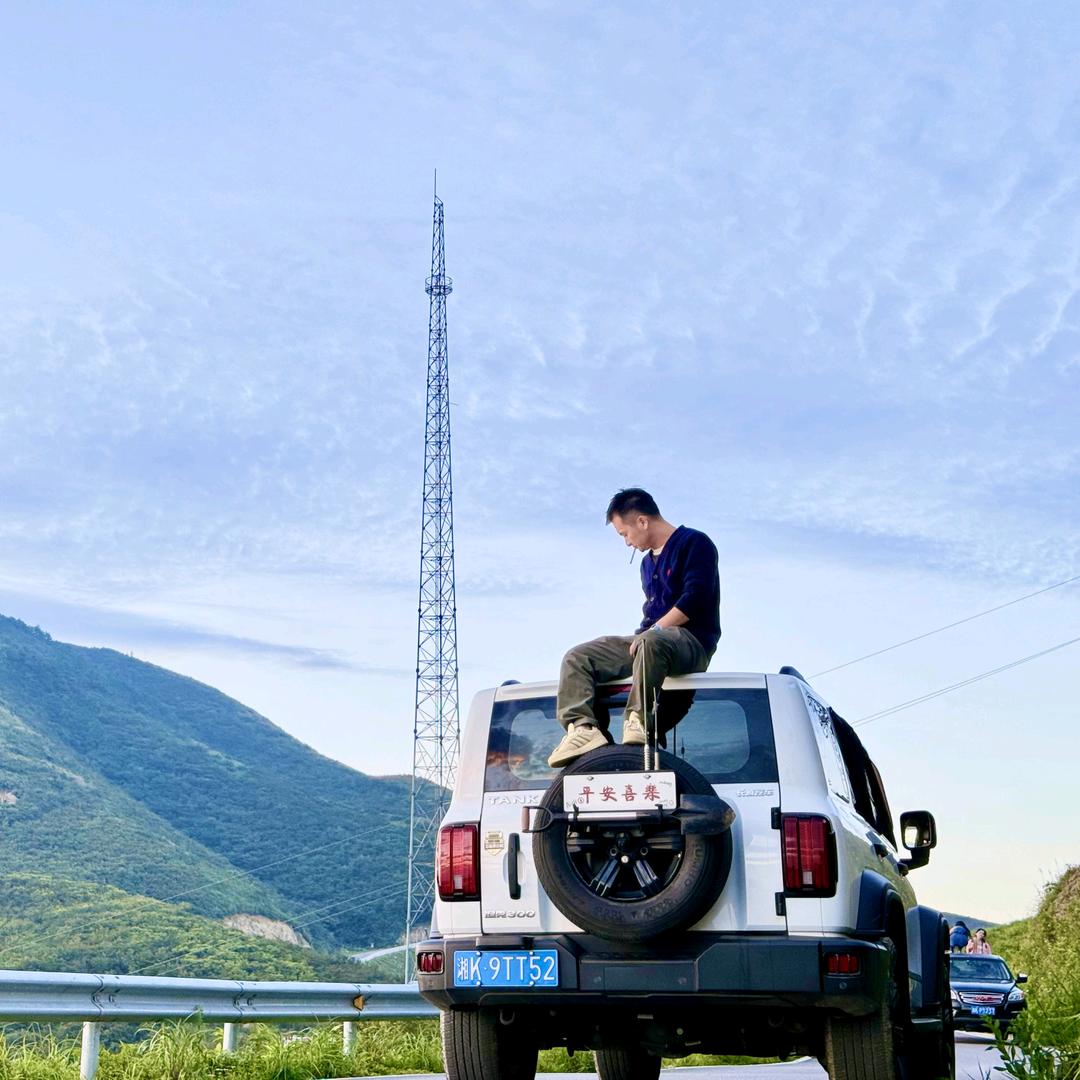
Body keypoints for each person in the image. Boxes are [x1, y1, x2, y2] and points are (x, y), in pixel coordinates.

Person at [547, 488, 721, 768]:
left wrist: (653, 632)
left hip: (692, 642)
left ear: (642, 521)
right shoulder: (646, 564)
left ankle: (639, 720)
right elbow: (651, 615)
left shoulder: (694, 542)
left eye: (624, 534)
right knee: (578, 657)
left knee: (650, 641)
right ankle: (583, 729)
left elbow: (696, 599)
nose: (627, 542)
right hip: (650, 641)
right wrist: (646, 635)